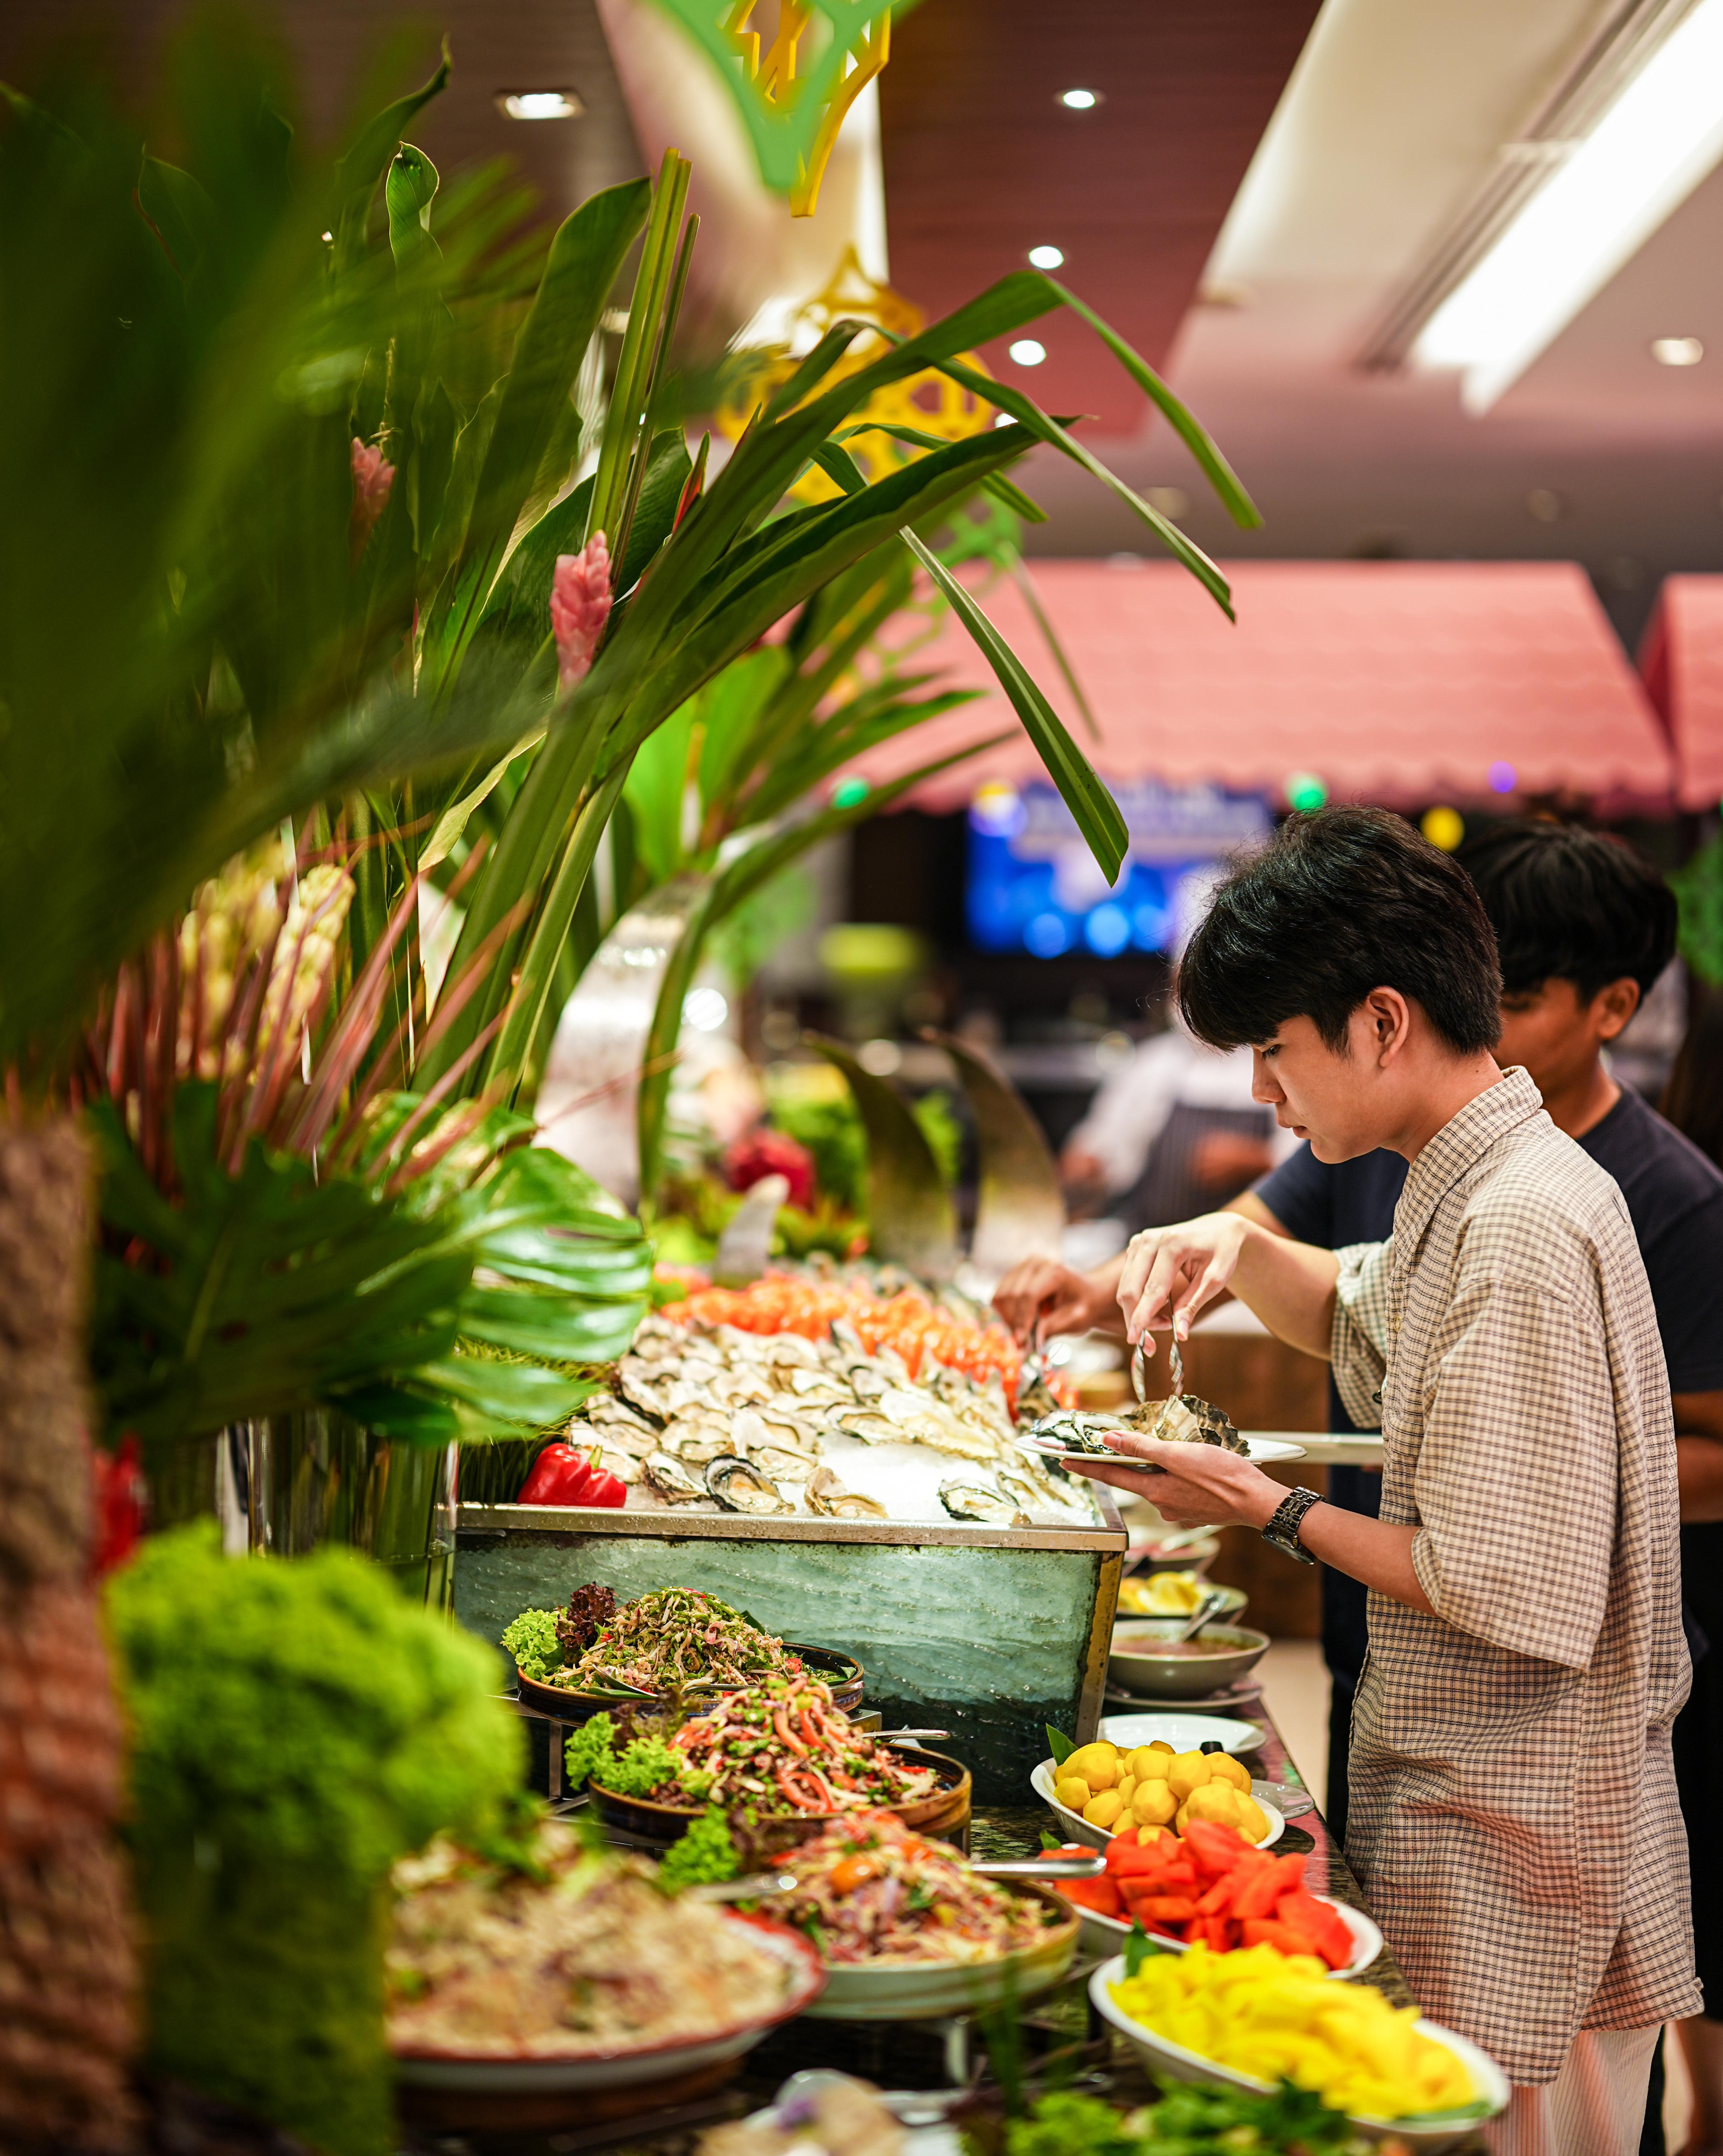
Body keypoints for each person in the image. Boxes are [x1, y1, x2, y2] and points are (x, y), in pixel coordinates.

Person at [1029, 806, 1698, 2151]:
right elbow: (1354, 1305)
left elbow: (1499, 1587)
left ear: (1383, 1022)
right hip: (1475, 1801)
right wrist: (1222, 1242)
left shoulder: (1517, 1221)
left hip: (1526, 1835)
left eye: (1276, 1052)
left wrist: (1257, 1503)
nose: (1266, 1093)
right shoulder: (1478, 1176)